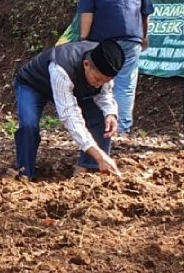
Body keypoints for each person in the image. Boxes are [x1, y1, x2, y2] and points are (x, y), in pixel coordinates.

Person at [13, 39, 125, 180]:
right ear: (86, 65)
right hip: (33, 84)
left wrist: (110, 113)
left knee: (102, 119)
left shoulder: (104, 63)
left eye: (105, 81)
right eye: (97, 79)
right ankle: (25, 173)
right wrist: (98, 153)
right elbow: (69, 115)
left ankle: (89, 172)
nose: (99, 85)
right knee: (29, 125)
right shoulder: (61, 69)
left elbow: (105, 94)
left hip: (74, 87)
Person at [78, 0, 154, 137]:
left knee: (100, 81)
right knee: (126, 84)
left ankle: (101, 128)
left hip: (104, 37)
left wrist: (84, 38)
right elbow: (145, 11)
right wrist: (144, 36)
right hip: (132, 37)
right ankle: (122, 131)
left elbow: (87, 11)